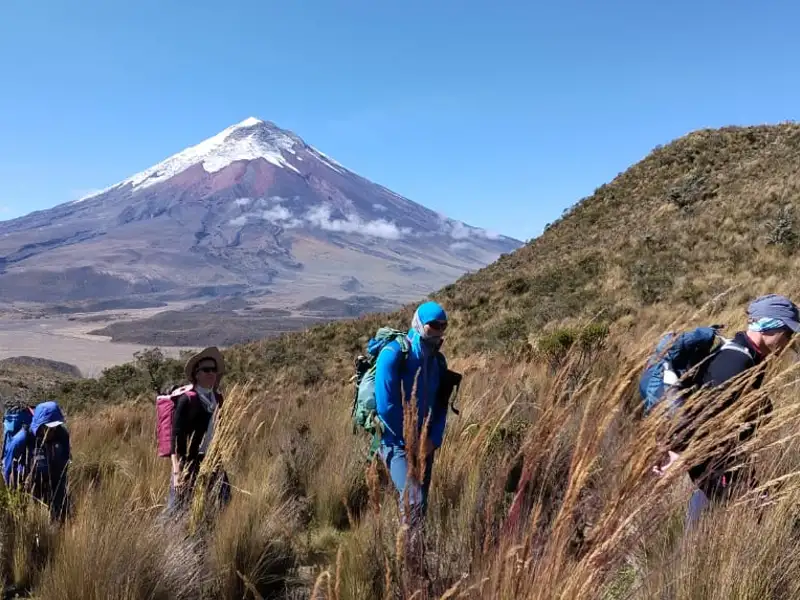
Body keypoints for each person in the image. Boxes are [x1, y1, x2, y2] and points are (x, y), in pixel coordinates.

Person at [653, 294, 800, 526]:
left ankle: (690, 553)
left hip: (721, 460)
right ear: (769, 327)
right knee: (748, 519)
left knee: (711, 519)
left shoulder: (749, 357)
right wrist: (678, 451)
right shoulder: (735, 362)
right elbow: (704, 413)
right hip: (712, 461)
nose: (790, 340)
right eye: (788, 332)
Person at [375, 301, 450, 526]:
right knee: (413, 499)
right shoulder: (393, 354)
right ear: (419, 324)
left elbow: (441, 405)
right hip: (394, 442)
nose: (438, 330)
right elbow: (386, 407)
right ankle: (406, 556)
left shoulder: (437, 361)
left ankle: (417, 551)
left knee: (421, 502)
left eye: (443, 326)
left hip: (424, 443)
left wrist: (433, 439)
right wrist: (409, 442)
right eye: (433, 325)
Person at [168, 347, 231, 515]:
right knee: (178, 510)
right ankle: (167, 538)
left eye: (214, 369)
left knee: (224, 502)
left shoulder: (218, 398)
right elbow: (175, 439)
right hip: (189, 462)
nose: (211, 373)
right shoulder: (187, 400)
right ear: (196, 374)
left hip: (213, 459)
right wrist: (177, 472)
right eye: (206, 370)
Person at [3, 401, 71, 522]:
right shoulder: (22, 438)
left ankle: (58, 523)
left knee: (61, 512)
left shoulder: (61, 435)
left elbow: (65, 462)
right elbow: (8, 468)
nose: (53, 431)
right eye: (49, 427)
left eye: (55, 427)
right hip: (25, 474)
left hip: (50, 475)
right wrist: (11, 493)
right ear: (40, 425)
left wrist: (61, 483)